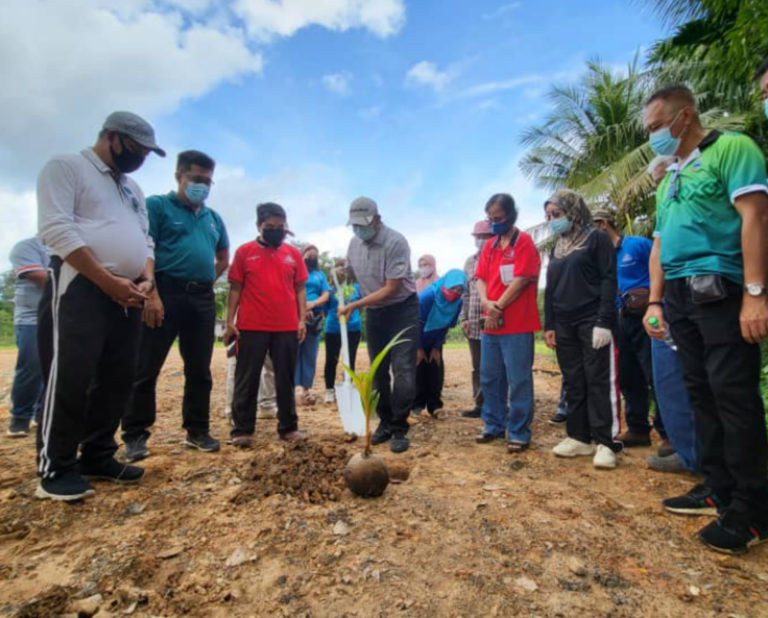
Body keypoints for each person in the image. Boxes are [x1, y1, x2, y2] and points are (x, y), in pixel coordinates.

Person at [642, 84, 768, 553]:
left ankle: (752, 508)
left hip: (722, 285)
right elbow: (659, 243)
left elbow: (755, 217)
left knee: (733, 392)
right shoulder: (671, 175)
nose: (653, 136)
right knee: (701, 391)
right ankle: (717, 486)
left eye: (656, 126)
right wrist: (655, 303)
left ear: (684, 116)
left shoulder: (732, 149)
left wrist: (755, 293)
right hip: (678, 294)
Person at [36, 111, 164, 500]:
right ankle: (56, 466)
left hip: (130, 292)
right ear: (112, 137)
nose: (140, 158)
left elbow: (145, 240)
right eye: (136, 149)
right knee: (72, 374)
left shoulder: (132, 189)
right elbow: (56, 229)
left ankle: (98, 454)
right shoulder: (67, 167)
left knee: (119, 375)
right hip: (83, 287)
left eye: (146, 153)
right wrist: (107, 281)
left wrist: (146, 278)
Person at [121, 150, 229, 461]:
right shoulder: (157, 206)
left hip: (202, 297)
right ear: (179, 176)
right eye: (196, 179)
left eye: (208, 181)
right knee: (146, 367)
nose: (203, 186)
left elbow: (223, 257)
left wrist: (207, 278)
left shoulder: (213, 218)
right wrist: (151, 292)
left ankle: (197, 430)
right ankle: (135, 435)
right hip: (164, 291)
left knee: (200, 369)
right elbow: (144, 247)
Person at [544, 190, 621, 470]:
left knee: (598, 378)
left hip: (591, 319)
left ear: (573, 211)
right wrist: (549, 325)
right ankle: (579, 436)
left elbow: (608, 280)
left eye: (558, 214)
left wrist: (604, 321)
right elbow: (550, 289)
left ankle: (606, 441)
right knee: (573, 380)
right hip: (564, 322)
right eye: (549, 216)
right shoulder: (558, 247)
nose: (553, 220)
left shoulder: (596, 238)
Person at [340, 196, 419, 453]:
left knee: (404, 368)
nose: (358, 230)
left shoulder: (396, 242)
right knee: (378, 369)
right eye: (354, 225)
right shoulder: (354, 243)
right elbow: (352, 272)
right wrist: (344, 273)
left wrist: (354, 305)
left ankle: (399, 426)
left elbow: (391, 288)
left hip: (401, 309)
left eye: (362, 224)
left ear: (377, 219)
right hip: (375, 312)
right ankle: (384, 422)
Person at [225, 202, 307, 448]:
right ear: (259, 226)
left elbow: (300, 288)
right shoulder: (244, 252)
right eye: (270, 226)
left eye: (280, 227)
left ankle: (289, 427)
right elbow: (235, 288)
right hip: (251, 325)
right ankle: (243, 429)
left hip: (286, 326)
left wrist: (301, 319)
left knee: (285, 377)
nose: (276, 230)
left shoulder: (293, 254)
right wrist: (230, 321)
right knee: (246, 378)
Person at [592, 207, 667, 449]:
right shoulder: (599, 256)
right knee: (628, 375)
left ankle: (669, 434)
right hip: (618, 320)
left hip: (646, 315)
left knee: (656, 373)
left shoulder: (637, 245)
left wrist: (658, 303)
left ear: (603, 224)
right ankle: (638, 429)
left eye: (592, 227)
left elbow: (660, 268)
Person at [474, 194, 541, 453]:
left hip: (517, 324)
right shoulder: (489, 246)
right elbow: (479, 278)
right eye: (490, 219)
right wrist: (487, 303)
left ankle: (519, 432)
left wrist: (498, 305)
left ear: (511, 216)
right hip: (491, 323)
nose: (494, 223)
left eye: (498, 219)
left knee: (519, 380)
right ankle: (493, 424)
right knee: (490, 377)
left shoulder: (523, 241)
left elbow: (522, 279)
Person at [7, 238, 48, 437]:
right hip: (32, 317)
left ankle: (42, 413)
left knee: (55, 368)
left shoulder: (67, 249)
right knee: (31, 365)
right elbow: (37, 275)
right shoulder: (27, 247)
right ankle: (20, 417)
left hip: (60, 316)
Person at [414, 269, 467, 417]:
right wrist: (419, 348)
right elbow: (416, 322)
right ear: (446, 284)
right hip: (417, 335)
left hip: (436, 336)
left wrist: (437, 347)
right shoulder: (427, 296)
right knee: (418, 368)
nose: (455, 292)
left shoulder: (458, 302)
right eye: (453, 288)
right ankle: (416, 405)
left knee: (435, 368)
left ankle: (435, 405)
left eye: (459, 289)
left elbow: (447, 324)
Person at [459, 220, 493, 418]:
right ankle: (480, 405)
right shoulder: (469, 262)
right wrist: (464, 318)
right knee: (478, 366)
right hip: (473, 321)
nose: (481, 240)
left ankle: (497, 405)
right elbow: (466, 293)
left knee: (496, 366)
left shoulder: (499, 257)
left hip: (494, 321)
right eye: (478, 237)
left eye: (485, 236)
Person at [323, 259, 362, 404]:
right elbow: (325, 310)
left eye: (344, 268)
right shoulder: (329, 289)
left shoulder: (357, 287)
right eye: (339, 267)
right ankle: (329, 390)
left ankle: (348, 385)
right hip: (333, 328)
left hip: (353, 329)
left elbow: (360, 305)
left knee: (350, 359)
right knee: (331, 360)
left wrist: (351, 316)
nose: (342, 270)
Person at [295, 244, 330, 406]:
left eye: (315, 255)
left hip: (314, 316)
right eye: (309, 254)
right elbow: (290, 290)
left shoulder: (320, 275)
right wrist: (302, 307)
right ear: (302, 255)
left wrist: (313, 304)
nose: (312, 257)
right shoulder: (295, 270)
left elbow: (326, 294)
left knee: (310, 353)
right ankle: (293, 389)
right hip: (294, 314)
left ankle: (306, 390)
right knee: (294, 352)